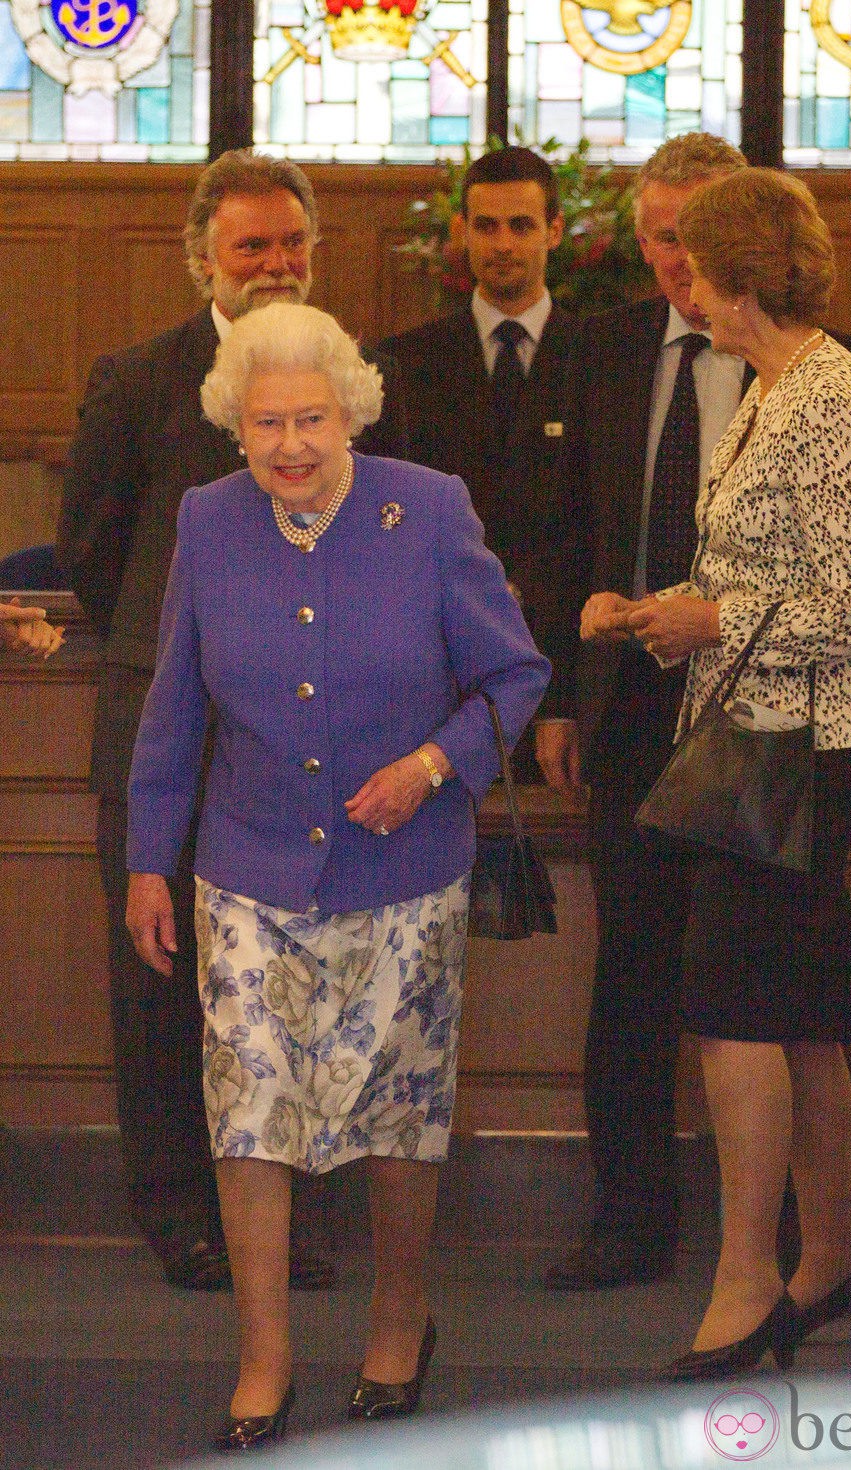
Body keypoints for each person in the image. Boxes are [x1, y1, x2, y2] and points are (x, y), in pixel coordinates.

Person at [125, 302, 551, 1448]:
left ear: (350, 410)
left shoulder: (430, 510)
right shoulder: (208, 522)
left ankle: (399, 1315)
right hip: (247, 871)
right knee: (250, 1114)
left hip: (403, 875)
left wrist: (430, 765)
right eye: (265, 424)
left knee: (395, 1115)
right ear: (236, 423)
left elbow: (515, 676)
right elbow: (174, 713)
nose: (290, 447)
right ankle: (263, 1357)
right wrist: (147, 864)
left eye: (310, 419)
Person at [541, 133, 851, 1292]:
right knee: (798, 1011)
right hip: (757, 732)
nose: (678, 284)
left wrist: (706, 622)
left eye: (693, 262)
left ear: (743, 268)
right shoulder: (774, 382)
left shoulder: (826, 391)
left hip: (803, 738)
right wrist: (647, 609)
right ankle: (832, 1262)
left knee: (728, 1007)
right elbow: (759, 566)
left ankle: (744, 1282)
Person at [56, 149, 334, 1291]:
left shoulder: (349, 381)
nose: (274, 265)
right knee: (161, 983)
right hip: (160, 730)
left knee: (288, 983)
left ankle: (282, 1211)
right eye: (250, 247)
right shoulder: (138, 379)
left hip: (304, 742)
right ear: (203, 261)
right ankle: (176, 1206)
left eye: (289, 245)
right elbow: (90, 552)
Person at [540, 133, 751, 1289]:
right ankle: (628, 1216)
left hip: (762, 710)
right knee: (629, 966)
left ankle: (760, 1224)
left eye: (690, 235)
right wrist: (562, 699)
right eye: (654, 236)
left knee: (748, 964)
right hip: (626, 708)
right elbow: (568, 525)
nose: (671, 260)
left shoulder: (808, 363)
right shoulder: (606, 351)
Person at [360, 145, 588, 765]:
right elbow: (385, 527)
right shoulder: (404, 364)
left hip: (564, 667)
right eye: (485, 226)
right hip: (438, 676)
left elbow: (602, 530)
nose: (503, 244)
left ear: (556, 230)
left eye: (522, 225)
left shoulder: (602, 358)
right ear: (460, 232)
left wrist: (566, 696)